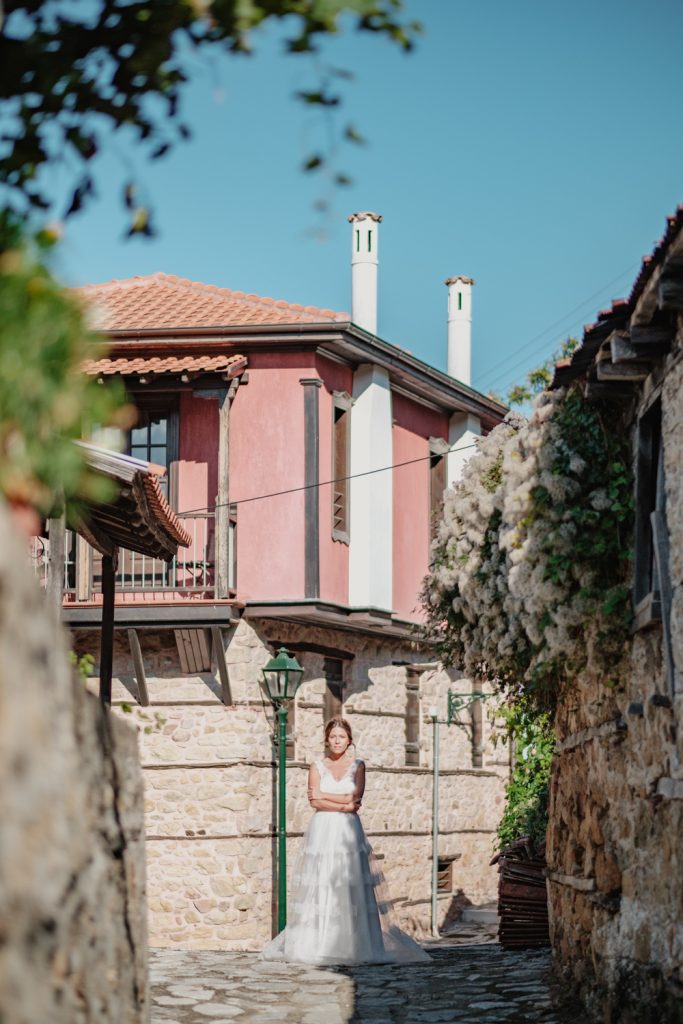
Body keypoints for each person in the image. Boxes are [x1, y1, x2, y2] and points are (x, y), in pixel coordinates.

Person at [261, 717, 430, 965]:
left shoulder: (358, 766)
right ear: (327, 740)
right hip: (322, 830)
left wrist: (329, 798)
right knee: (322, 882)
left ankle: (356, 944)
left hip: (348, 831)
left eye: (342, 737)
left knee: (352, 883)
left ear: (349, 740)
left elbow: (355, 801)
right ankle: (317, 943)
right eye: (333, 737)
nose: (337, 741)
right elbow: (315, 802)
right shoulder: (316, 766)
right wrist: (342, 802)